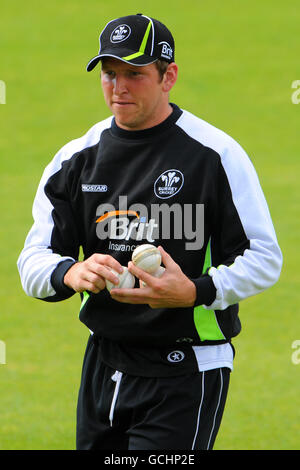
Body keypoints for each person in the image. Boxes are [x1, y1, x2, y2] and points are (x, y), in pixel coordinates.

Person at [17, 13, 282, 450]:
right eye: (109, 74)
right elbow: (33, 260)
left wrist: (194, 290)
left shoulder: (214, 155)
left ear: (168, 76)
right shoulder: (76, 158)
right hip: (103, 363)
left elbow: (264, 257)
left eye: (135, 74)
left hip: (187, 367)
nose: (118, 87)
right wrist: (70, 272)